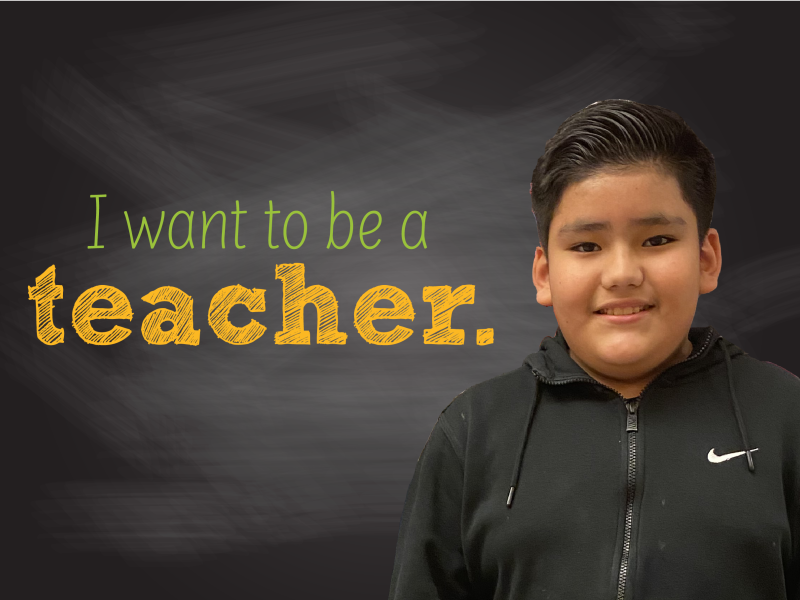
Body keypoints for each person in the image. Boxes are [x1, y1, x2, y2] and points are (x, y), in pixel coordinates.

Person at [387, 99, 799, 599]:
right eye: (586, 246)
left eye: (657, 239)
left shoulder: (785, 418)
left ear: (706, 258)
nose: (623, 273)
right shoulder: (473, 434)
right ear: (544, 273)